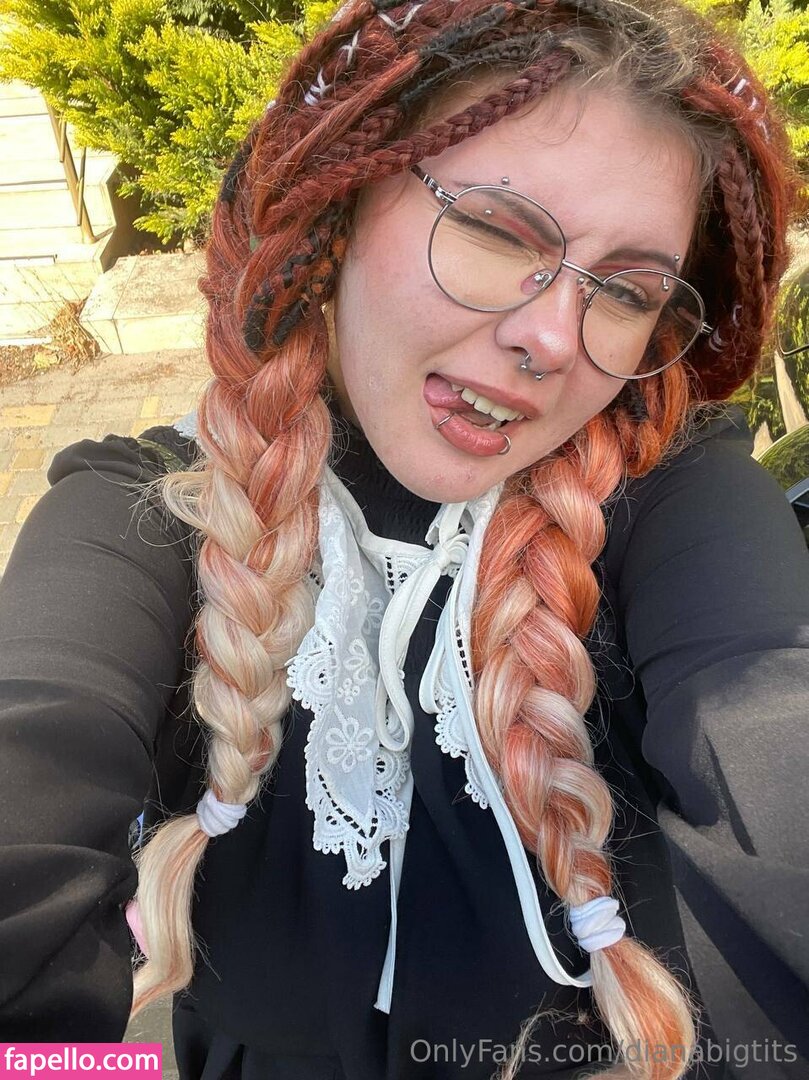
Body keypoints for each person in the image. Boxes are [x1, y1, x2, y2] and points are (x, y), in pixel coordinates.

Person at [0, 0, 807, 1076]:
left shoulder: (680, 504)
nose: (550, 338)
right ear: (335, 209)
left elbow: (770, 725)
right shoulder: (140, 511)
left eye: (623, 290)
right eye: (496, 230)